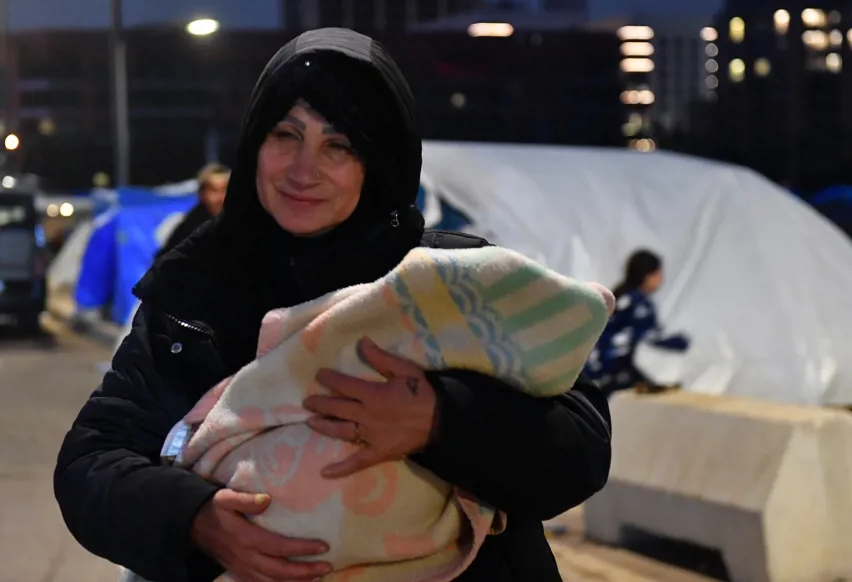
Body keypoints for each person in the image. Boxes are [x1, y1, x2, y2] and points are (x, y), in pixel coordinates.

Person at [54, 28, 611, 582]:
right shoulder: (195, 292)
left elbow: (581, 450)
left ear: (380, 163)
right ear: (254, 145)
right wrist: (194, 518)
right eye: (285, 135)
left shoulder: (454, 282)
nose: (303, 169)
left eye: (339, 145)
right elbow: (92, 460)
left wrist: (443, 420)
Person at [585, 249, 690, 396]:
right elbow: (647, 338)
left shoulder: (618, 296)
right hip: (611, 371)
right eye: (658, 274)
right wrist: (679, 342)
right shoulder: (640, 304)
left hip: (590, 369)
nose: (661, 279)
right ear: (647, 275)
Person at [159, 163, 231, 254]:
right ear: (201, 194)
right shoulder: (189, 230)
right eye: (214, 190)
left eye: (225, 189)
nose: (221, 197)